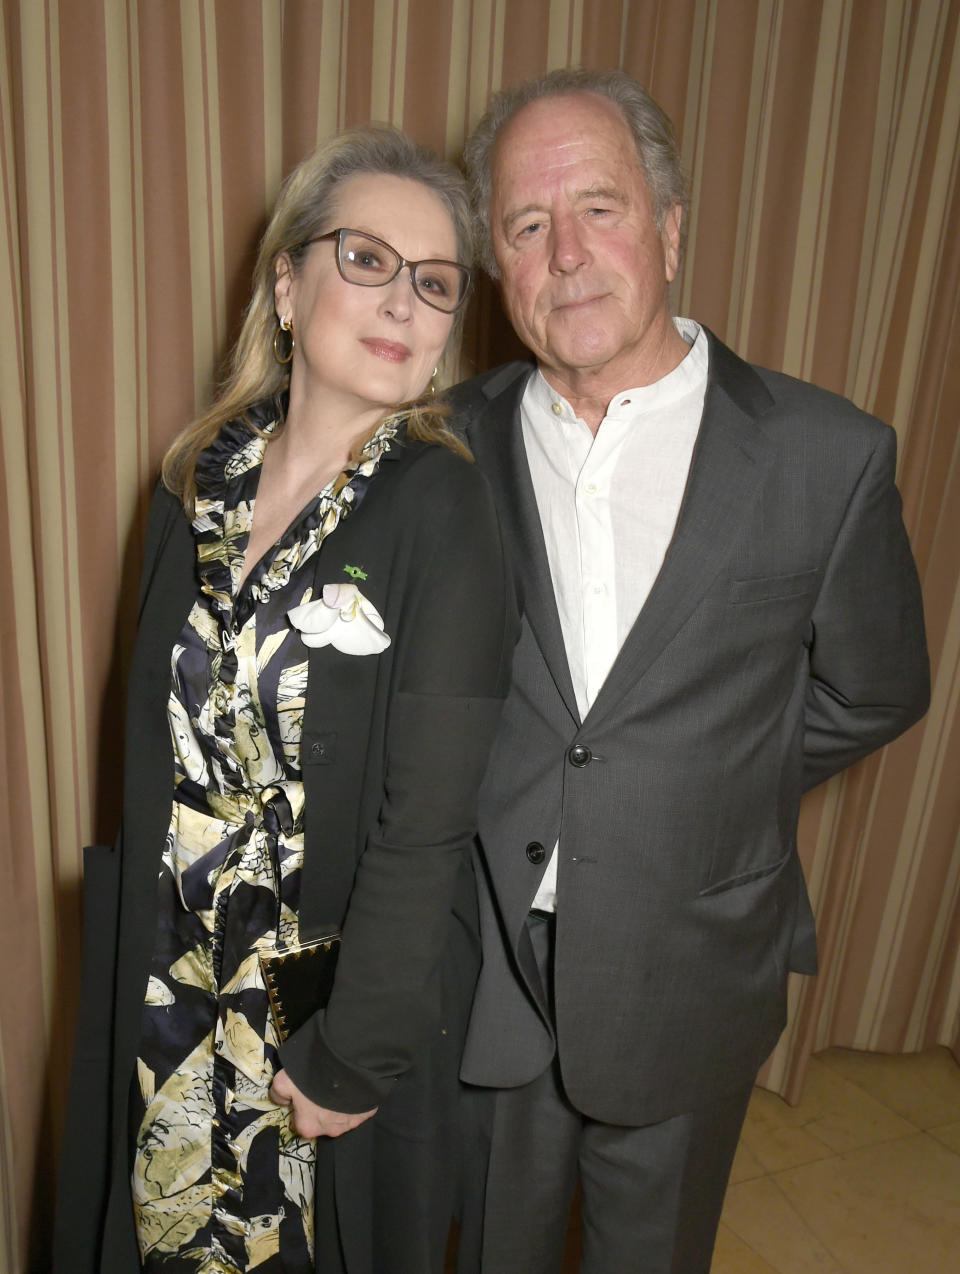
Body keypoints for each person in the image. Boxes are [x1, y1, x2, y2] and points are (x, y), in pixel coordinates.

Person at [449, 67, 930, 1274]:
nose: (566, 252)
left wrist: (708, 780)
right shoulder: (441, 447)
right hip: (488, 969)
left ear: (668, 227)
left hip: (692, 967)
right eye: (525, 224)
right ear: (500, 266)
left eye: (599, 208)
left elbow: (876, 689)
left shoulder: (828, 455)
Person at [53, 124, 515, 1274]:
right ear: (286, 283)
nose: (403, 301)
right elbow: (151, 750)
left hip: (309, 1026)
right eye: (366, 259)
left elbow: (428, 820)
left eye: (435, 282)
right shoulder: (191, 479)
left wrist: (351, 1051)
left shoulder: (444, 511)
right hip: (168, 991)